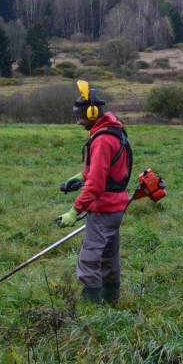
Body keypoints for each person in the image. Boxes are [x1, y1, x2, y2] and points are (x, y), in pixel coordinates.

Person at [57, 80, 133, 304]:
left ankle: (92, 310)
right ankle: (112, 301)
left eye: (80, 114)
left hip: (103, 209)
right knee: (110, 258)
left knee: (90, 260)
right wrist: (78, 177)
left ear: (91, 112)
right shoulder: (115, 132)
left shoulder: (101, 140)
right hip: (117, 207)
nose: (77, 119)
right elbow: (105, 171)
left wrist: (73, 211)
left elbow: (97, 185)